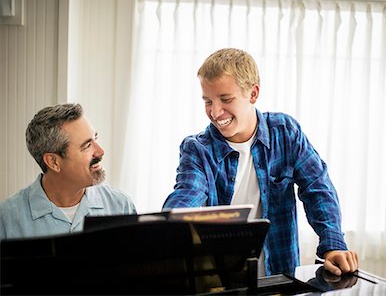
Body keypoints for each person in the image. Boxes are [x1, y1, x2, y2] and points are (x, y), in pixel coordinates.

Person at [163, 48, 358, 276]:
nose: (215, 112)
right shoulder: (197, 149)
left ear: (253, 94)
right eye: (208, 101)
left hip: (279, 276)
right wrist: (166, 232)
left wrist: (333, 244)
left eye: (225, 99)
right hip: (220, 281)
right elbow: (187, 195)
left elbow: (317, 188)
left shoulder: (285, 133)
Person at [0, 103, 136, 240]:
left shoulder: (121, 206)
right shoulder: (6, 219)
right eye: (87, 146)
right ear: (53, 162)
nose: (100, 151)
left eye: (95, 139)